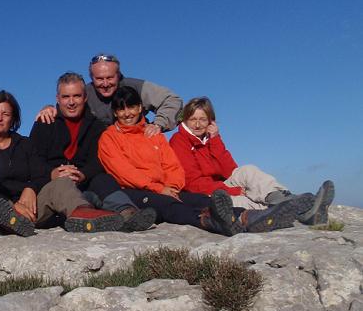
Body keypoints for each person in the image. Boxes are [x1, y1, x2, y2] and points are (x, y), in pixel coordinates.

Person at [98, 86, 296, 235]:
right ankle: (211, 222)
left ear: (140, 107)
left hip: (168, 189)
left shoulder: (153, 134)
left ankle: (248, 216)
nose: (127, 113)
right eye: (121, 109)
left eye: (131, 107)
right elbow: (123, 172)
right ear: (115, 112)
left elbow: (172, 165)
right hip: (138, 192)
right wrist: (159, 189)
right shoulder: (109, 137)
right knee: (171, 206)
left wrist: (172, 186)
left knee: (203, 200)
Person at [0, 90, 126, 236]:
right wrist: (13, 205)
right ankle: (11, 221)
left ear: (13, 119)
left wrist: (31, 188)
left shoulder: (25, 144)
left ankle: (83, 214)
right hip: (1, 206)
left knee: (62, 183)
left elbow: (41, 173)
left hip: (31, 204)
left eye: (6, 114)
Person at [169, 96, 333, 225]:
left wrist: (215, 139)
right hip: (205, 194)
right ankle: (304, 211)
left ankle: (284, 199)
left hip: (221, 185)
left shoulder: (210, 139)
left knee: (248, 170)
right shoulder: (179, 141)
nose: (197, 125)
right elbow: (191, 182)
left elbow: (230, 170)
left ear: (210, 121)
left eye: (203, 119)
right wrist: (230, 190)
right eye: (193, 119)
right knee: (246, 200)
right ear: (185, 121)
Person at [28, 73, 157, 231]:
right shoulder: (45, 122)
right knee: (62, 185)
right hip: (53, 190)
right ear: (57, 98)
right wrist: (52, 173)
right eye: (65, 96)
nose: (71, 102)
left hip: (83, 187)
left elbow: (97, 162)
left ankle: (127, 213)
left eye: (76, 96)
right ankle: (86, 216)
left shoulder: (96, 126)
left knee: (103, 179)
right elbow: (33, 161)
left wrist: (82, 174)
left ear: (85, 97)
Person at [36, 54, 182, 136]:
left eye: (110, 78)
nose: (105, 84)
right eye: (99, 79)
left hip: (139, 146)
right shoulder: (85, 93)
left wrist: (158, 125)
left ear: (118, 75)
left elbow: (172, 100)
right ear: (91, 77)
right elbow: (67, 107)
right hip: (105, 152)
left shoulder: (136, 86)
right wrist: (49, 108)